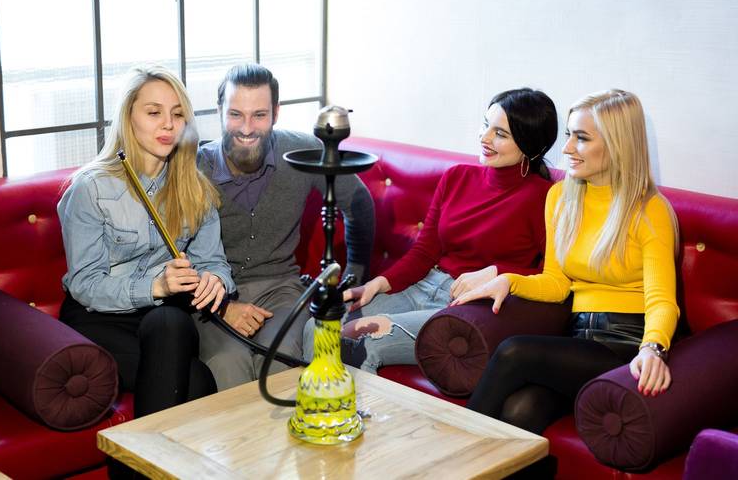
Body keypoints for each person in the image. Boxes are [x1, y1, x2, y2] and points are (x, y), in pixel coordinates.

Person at [454, 89, 679, 434]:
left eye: (582, 138)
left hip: (627, 345)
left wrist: (653, 349)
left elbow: (662, 300)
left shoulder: (650, 210)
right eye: (569, 135)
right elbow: (557, 283)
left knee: (514, 351)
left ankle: (453, 447)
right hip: (577, 342)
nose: (567, 148)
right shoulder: (561, 196)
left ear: (617, 144)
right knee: (521, 410)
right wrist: (509, 281)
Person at [304, 88, 559, 372]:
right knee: (319, 325)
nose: (485, 138)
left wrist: (496, 272)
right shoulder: (457, 177)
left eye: (500, 134)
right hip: (422, 285)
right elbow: (425, 251)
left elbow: (553, 277)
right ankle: (313, 401)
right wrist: (377, 283)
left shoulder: (546, 198)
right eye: (486, 125)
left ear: (531, 145)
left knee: (361, 343)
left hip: (468, 305)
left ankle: (348, 403)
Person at [57, 65, 234, 418]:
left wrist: (216, 280)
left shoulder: (195, 188)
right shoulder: (90, 188)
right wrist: (155, 286)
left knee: (170, 321)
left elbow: (214, 262)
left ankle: (138, 455)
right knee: (197, 380)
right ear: (128, 118)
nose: (168, 125)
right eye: (154, 113)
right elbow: (85, 284)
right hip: (99, 318)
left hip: (165, 321)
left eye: (177, 114)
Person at [195, 63, 375, 390]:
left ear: (276, 113)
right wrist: (223, 306)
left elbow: (359, 202)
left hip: (281, 289)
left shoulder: (301, 151)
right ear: (219, 111)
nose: (247, 128)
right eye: (235, 114)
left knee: (280, 360)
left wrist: (355, 277)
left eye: (259, 115)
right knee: (228, 365)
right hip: (214, 298)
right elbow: (168, 255)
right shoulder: (194, 167)